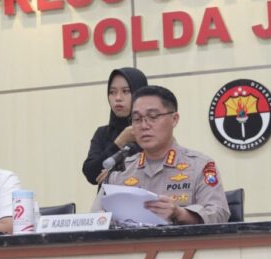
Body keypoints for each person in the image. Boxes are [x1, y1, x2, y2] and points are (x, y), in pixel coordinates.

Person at [91, 85, 230, 224]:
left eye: (153, 117)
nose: (144, 126)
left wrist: (180, 213)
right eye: (137, 119)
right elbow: (94, 219)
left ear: (174, 119)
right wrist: (101, 219)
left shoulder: (200, 166)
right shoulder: (119, 171)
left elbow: (219, 213)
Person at [82, 68, 149, 185]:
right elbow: (91, 174)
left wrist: (115, 176)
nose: (118, 98)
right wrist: (119, 142)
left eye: (125, 91)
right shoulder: (103, 133)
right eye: (112, 92)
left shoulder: (150, 130)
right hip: (109, 197)